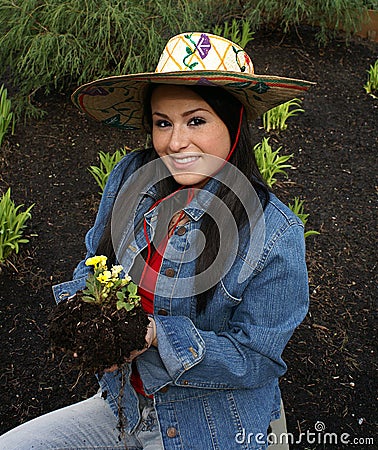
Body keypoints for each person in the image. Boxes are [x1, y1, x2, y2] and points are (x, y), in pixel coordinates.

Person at [0, 32, 312, 449]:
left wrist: (154, 335)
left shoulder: (274, 234)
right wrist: (85, 314)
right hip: (122, 405)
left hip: (213, 422)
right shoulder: (132, 176)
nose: (175, 142)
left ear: (233, 122)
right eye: (163, 122)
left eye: (196, 120)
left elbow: (256, 358)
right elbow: (94, 261)